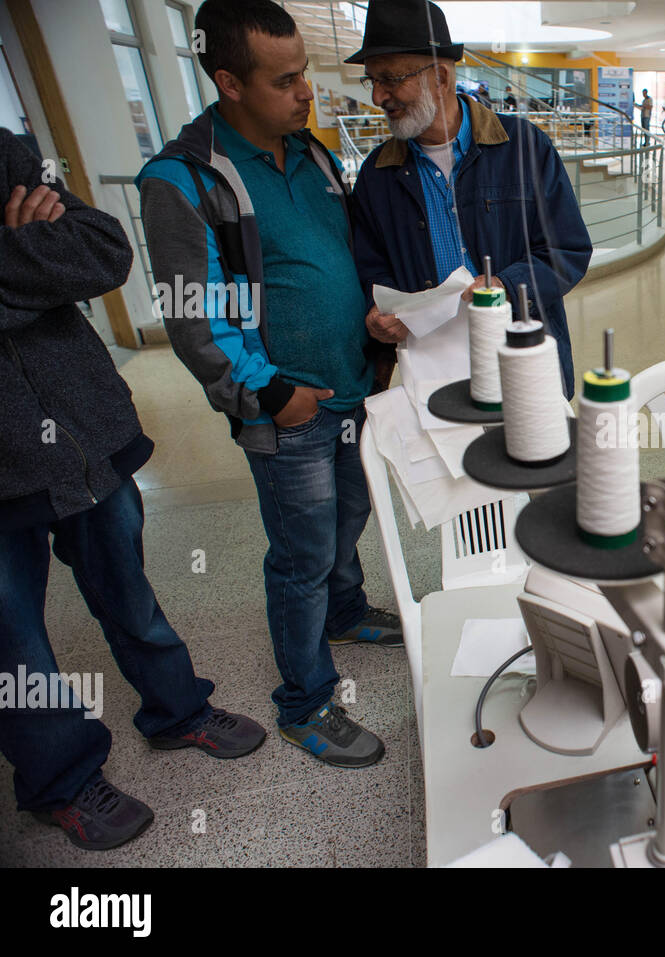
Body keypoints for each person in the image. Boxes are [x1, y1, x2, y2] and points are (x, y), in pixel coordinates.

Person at [137, 0, 402, 769]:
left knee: (348, 519)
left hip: (352, 390)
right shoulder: (182, 181)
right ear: (229, 81)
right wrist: (273, 394)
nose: (306, 92)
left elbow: (343, 257)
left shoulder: (312, 155)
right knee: (300, 552)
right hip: (288, 410)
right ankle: (306, 702)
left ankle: (345, 611)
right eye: (285, 81)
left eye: (305, 75)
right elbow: (197, 320)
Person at [0, 128, 265, 850]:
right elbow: (65, 265)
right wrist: (31, 260)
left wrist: (32, 260)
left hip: (88, 431)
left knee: (129, 588)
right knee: (12, 641)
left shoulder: (6, 152)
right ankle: (60, 779)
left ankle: (178, 710)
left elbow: (105, 252)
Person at [348, 0, 592, 398]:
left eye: (390, 79)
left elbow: (567, 251)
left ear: (440, 77)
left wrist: (504, 285)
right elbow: (370, 271)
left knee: (531, 454)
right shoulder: (377, 175)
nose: (378, 96)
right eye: (372, 80)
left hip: (523, 358)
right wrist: (378, 315)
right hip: (432, 372)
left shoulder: (525, 148)